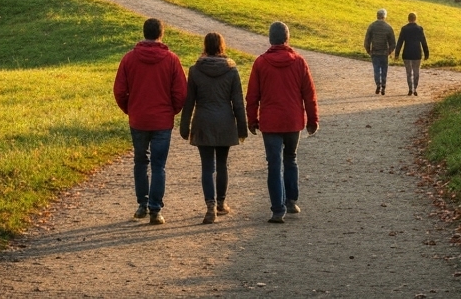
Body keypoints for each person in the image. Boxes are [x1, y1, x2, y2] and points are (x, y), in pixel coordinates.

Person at [113, 17, 187, 225]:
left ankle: (142, 204)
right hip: (162, 120)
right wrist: (171, 111)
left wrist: (130, 108)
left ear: (144, 33)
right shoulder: (171, 59)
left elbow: (119, 90)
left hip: (138, 118)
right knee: (158, 165)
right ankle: (156, 209)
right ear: (161, 34)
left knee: (140, 162)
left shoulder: (129, 59)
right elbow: (181, 92)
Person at [246, 21, 319, 224]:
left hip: (270, 121)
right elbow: (309, 95)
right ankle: (291, 200)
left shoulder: (261, 63)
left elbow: (252, 96)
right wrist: (312, 120)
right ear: (287, 38)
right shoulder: (299, 62)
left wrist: (252, 119)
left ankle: (277, 209)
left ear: (270, 39)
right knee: (291, 159)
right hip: (293, 119)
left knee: (274, 164)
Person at [180, 32, 248, 224]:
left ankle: (210, 205)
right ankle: (221, 203)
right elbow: (238, 103)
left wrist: (184, 127)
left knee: (207, 166)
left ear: (205, 46)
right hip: (225, 121)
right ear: (222, 46)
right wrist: (242, 128)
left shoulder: (195, 70)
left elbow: (189, 102)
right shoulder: (231, 71)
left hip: (203, 121)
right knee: (222, 164)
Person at [393, 12, 430, 96]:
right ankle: (415, 88)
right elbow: (423, 42)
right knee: (416, 72)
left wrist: (397, 53)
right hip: (417, 53)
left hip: (407, 53)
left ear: (408, 19)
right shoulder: (419, 29)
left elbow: (400, 42)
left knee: (409, 72)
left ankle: (410, 88)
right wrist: (426, 53)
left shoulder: (404, 29)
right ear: (415, 19)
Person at [364, 8, 396, 95]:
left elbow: (367, 40)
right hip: (384, 53)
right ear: (384, 16)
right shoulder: (388, 27)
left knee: (376, 70)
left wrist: (368, 50)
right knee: (384, 70)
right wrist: (389, 51)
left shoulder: (372, 26)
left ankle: (378, 84)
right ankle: (384, 86)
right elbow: (393, 43)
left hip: (374, 52)